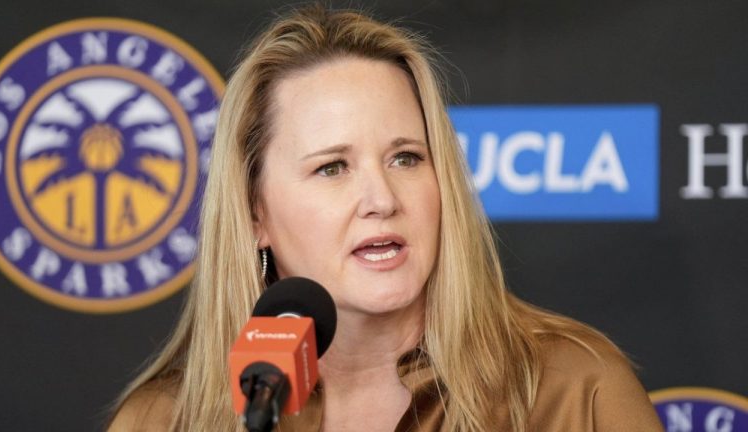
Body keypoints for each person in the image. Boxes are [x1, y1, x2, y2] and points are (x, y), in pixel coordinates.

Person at [109, 4, 663, 431]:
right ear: (256, 213)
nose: (382, 198)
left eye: (406, 158)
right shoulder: (163, 419)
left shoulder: (574, 391)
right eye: (332, 168)